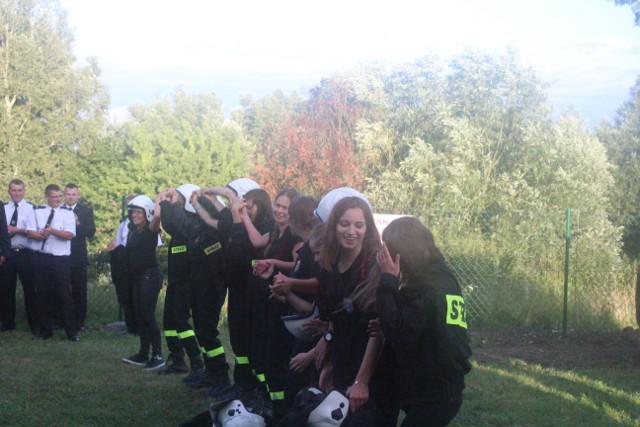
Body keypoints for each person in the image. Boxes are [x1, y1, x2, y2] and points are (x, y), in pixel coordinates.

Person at [376, 217, 472, 427]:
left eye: (390, 252)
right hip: (444, 386)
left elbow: (399, 332)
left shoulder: (427, 288)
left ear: (402, 253)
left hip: (436, 393)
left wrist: (388, 279)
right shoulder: (443, 278)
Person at [315, 196, 395, 427]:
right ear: (334, 226)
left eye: (359, 225)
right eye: (345, 224)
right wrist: (330, 362)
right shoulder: (330, 265)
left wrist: (362, 381)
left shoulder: (374, 267)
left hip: (372, 371)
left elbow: (377, 332)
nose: (351, 231)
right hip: (343, 361)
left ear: (367, 228)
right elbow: (336, 320)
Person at [157, 184, 205, 377]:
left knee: (181, 321)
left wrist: (166, 203)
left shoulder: (192, 223)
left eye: (178, 197)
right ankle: (177, 359)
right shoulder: (179, 224)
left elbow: (173, 223)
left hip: (187, 281)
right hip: (175, 281)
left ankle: (196, 361)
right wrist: (166, 203)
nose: (174, 200)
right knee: (169, 322)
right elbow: (169, 222)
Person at [26, 184, 79, 342]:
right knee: (42, 293)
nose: (57, 200)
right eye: (53, 197)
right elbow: (29, 232)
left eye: (59, 196)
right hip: (41, 257)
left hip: (60, 259)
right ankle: (45, 330)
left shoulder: (67, 213)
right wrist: (41, 235)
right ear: (47, 196)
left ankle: (71, 331)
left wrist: (52, 231)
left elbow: (69, 235)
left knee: (64, 294)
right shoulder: (37, 211)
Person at [121, 194, 165, 370]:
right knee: (140, 316)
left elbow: (157, 216)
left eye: (139, 212)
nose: (135, 215)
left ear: (146, 213)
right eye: (133, 212)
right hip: (138, 277)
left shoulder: (150, 230)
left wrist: (159, 199)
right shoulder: (133, 230)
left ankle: (158, 355)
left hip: (149, 276)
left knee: (147, 315)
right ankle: (143, 353)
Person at [0, 179, 38, 333]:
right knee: (6, 289)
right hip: (7, 253)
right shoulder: (3, 208)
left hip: (25, 253)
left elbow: (35, 231)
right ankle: (7, 322)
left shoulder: (31, 208)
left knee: (30, 289)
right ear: (9, 191)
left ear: (24, 191)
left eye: (19, 190)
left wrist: (17, 230)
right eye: (14, 190)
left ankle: (34, 324)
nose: (16, 193)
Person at [64, 183, 96, 330]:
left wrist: (76, 226)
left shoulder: (85, 211)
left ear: (78, 195)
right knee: (61, 289)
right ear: (65, 195)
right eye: (68, 194)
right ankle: (61, 320)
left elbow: (90, 231)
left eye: (73, 194)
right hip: (61, 255)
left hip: (78, 256)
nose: (71, 197)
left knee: (79, 290)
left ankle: (79, 322)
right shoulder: (59, 209)